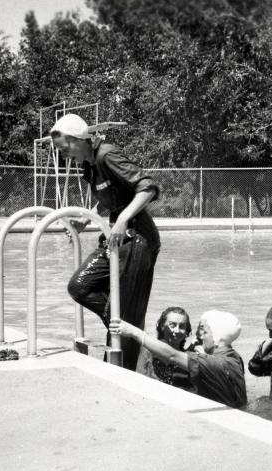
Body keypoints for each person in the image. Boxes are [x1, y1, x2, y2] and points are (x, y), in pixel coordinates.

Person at [50, 113, 161, 371]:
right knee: (80, 286)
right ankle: (123, 324)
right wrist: (86, 220)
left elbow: (147, 187)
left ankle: (125, 364)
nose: (63, 156)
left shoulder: (107, 155)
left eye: (65, 149)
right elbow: (109, 195)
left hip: (139, 239)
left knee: (123, 315)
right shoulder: (88, 166)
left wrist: (122, 218)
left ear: (79, 140)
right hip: (116, 239)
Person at [109, 310, 247, 408]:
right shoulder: (234, 357)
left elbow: (172, 355)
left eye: (204, 331)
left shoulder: (210, 362)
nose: (200, 335)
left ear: (217, 338)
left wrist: (134, 332)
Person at [150, 306, 195, 391]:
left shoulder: (188, 358)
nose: (177, 330)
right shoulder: (149, 353)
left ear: (187, 330)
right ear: (162, 326)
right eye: (172, 325)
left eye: (181, 326)